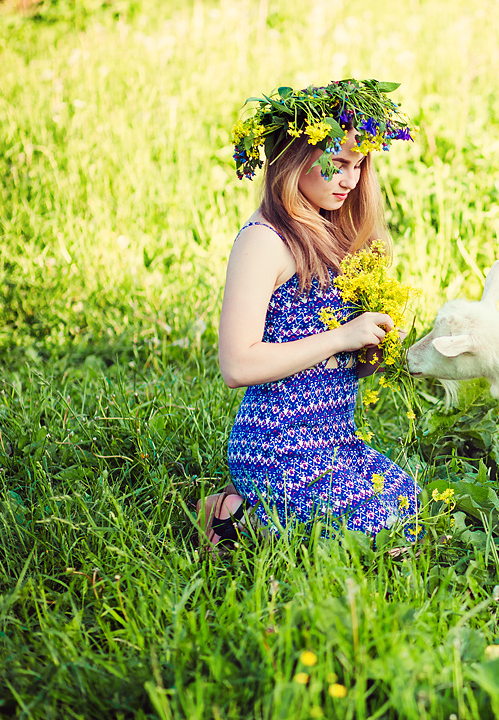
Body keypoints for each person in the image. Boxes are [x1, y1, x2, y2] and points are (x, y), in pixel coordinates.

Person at [195, 79, 420, 548]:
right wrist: (341, 338)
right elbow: (237, 365)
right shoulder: (264, 242)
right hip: (278, 442)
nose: (351, 180)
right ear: (296, 158)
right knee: (360, 530)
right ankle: (229, 513)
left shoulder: (333, 232)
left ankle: (267, 516)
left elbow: (336, 361)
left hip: (334, 438)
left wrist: (373, 349)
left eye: (359, 166)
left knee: (405, 502)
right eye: (338, 164)